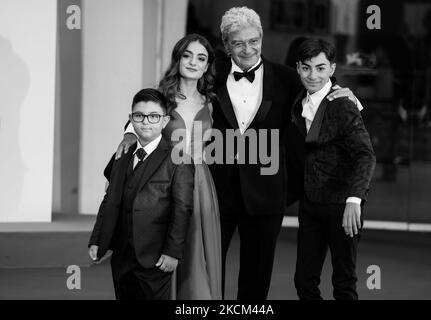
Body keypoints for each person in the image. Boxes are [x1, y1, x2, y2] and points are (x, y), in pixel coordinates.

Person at [211, 7, 361, 300]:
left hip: (266, 194)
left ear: (262, 39)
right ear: (227, 45)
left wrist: (348, 96)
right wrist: (131, 130)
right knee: (207, 272)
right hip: (217, 192)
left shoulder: (287, 78)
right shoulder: (209, 76)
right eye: (238, 43)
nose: (248, 49)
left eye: (254, 40)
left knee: (256, 279)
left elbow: (321, 90)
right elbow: (167, 103)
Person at [118, 34, 222, 299]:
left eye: (201, 58)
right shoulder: (162, 96)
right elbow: (139, 121)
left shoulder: (211, 101)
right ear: (178, 58)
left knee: (196, 250)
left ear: (207, 65)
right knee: (164, 245)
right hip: (165, 179)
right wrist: (129, 134)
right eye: (187, 55)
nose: (193, 62)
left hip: (200, 182)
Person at [289, 39, 376, 300]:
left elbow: (366, 154)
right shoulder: (298, 100)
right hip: (311, 203)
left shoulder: (342, 103)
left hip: (342, 205)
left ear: (332, 68)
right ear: (298, 68)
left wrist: (354, 200)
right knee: (304, 281)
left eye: (320, 68)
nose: (312, 75)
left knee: (344, 283)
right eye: (306, 68)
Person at [88, 88, 195, 300]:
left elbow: (182, 209)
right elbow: (109, 200)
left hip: (155, 256)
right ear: (131, 119)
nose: (146, 122)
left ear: (164, 121)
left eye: (154, 116)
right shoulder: (122, 154)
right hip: (122, 254)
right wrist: (97, 238)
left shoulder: (178, 158)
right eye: (139, 116)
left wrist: (173, 252)